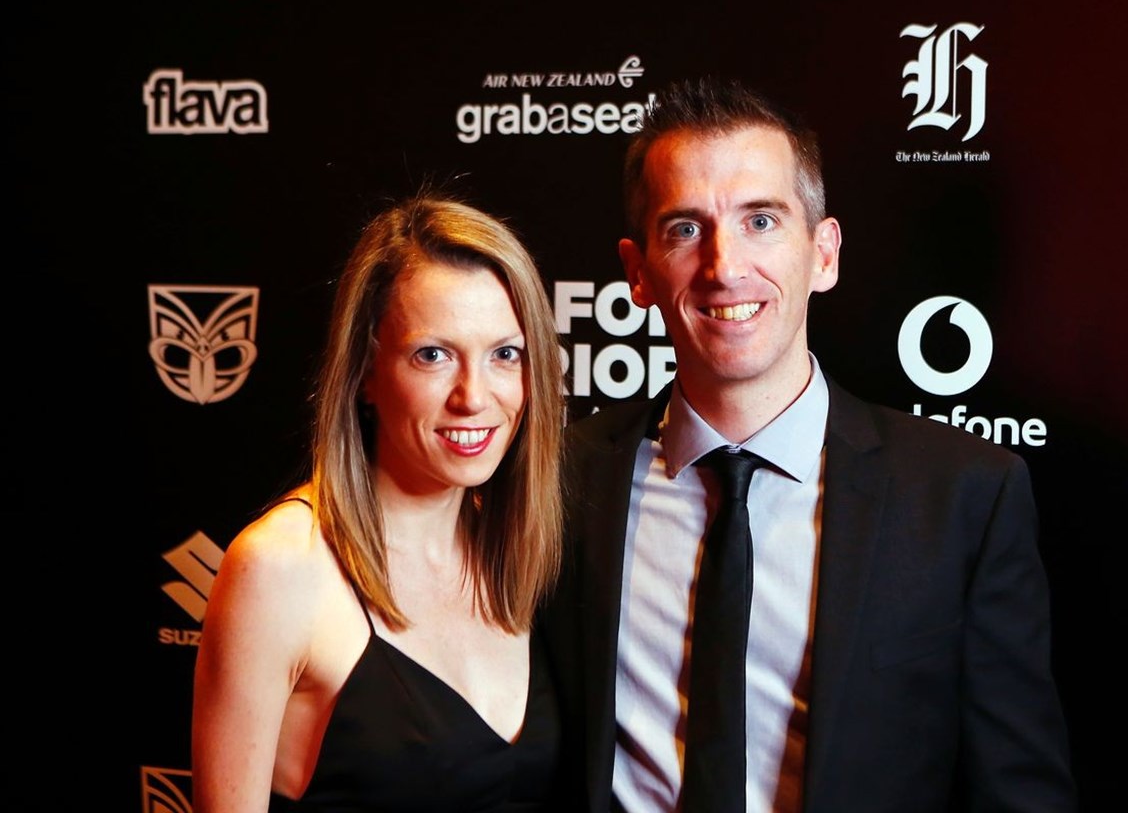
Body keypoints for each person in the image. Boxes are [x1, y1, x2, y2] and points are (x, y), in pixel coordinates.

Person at [542, 77, 1077, 812]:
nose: (725, 266)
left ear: (823, 253)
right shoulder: (560, 481)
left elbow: (1019, 793)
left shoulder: (962, 496)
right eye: (685, 229)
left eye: (761, 221)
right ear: (638, 272)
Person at [192, 191, 567, 812]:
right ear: (366, 372)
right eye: (433, 355)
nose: (474, 397)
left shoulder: (514, 548)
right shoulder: (280, 569)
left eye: (506, 355)